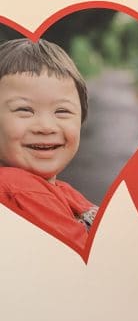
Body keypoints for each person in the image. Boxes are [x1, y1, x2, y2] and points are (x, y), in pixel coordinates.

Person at [0, 38, 96, 258]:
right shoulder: (17, 188)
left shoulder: (62, 191)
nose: (45, 127)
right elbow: (89, 259)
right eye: (24, 110)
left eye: (62, 111)